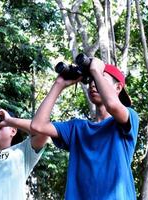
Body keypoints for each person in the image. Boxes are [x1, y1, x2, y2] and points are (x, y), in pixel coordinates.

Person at [31, 57, 139, 200]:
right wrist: (59, 84)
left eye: (100, 78)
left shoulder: (128, 118)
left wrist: (95, 70)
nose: (93, 84)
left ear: (118, 87)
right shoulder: (77, 128)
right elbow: (38, 125)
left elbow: (112, 105)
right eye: (90, 80)